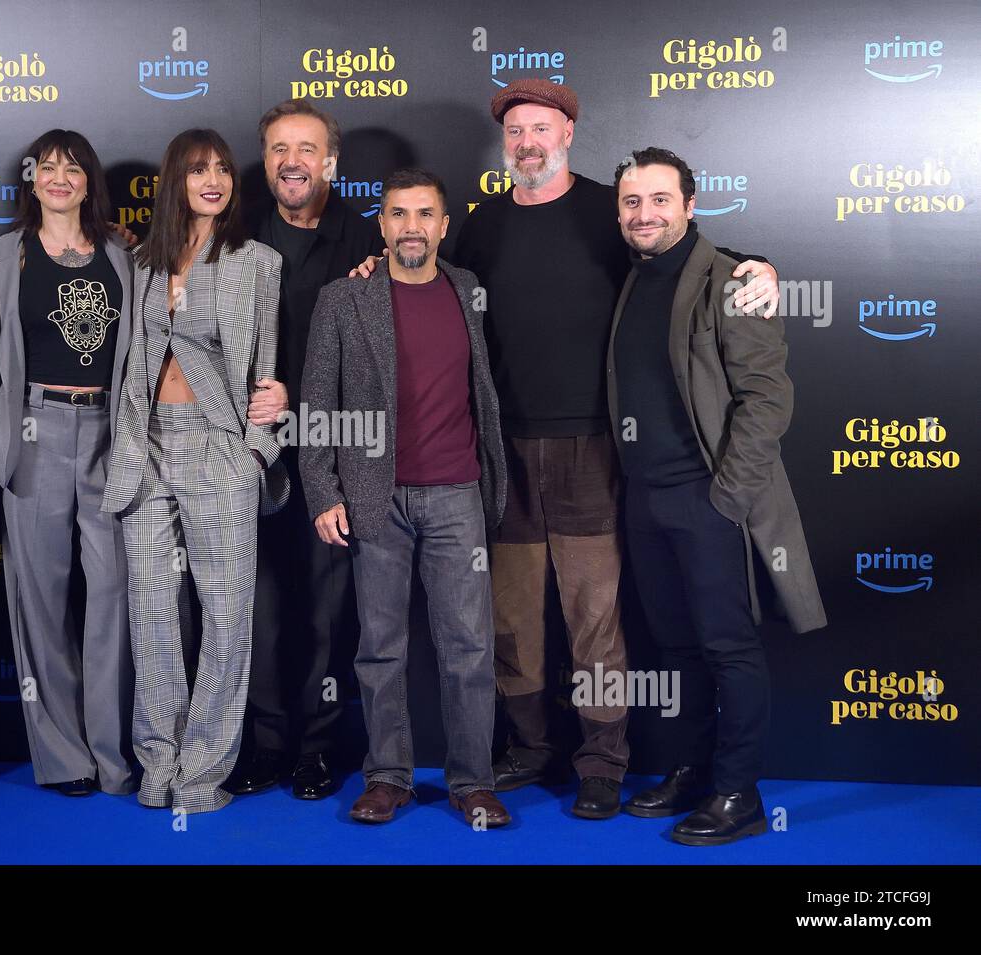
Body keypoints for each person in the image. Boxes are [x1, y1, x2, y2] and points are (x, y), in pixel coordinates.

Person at [351, 79, 781, 821]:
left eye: (541, 129)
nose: (527, 142)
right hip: (500, 451)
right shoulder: (481, 225)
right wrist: (367, 269)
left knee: (594, 617)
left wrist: (755, 261)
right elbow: (419, 277)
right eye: (515, 131)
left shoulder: (606, 213)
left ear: (569, 134)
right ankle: (527, 747)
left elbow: (676, 253)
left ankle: (603, 762)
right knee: (513, 617)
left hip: (592, 448)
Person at [608, 147, 826, 845]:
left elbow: (768, 398)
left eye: (660, 200)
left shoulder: (734, 281)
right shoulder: (633, 277)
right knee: (675, 648)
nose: (645, 214)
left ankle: (739, 793)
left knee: (729, 647)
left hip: (709, 500)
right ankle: (691, 770)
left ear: (691, 204)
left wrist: (725, 496)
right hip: (644, 500)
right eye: (632, 202)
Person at [301, 169, 510, 827]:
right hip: (374, 495)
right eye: (398, 214)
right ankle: (387, 775)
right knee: (381, 645)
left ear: (444, 225)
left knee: (470, 646)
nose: (411, 226)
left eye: (425, 213)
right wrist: (321, 489)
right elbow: (317, 401)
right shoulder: (344, 298)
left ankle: (473, 781)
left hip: (457, 492)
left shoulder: (467, 289)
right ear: (383, 224)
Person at [101, 129, 287, 814]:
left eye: (223, 170)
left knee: (226, 612)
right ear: (174, 178)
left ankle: (203, 769)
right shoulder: (140, 260)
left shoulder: (256, 262)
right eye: (198, 169)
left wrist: (253, 451)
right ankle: (157, 762)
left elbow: (268, 367)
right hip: (144, 449)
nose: (213, 180)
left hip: (219, 447)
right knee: (152, 611)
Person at [226, 99, 382, 800]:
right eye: (280, 148)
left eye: (307, 148)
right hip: (246, 451)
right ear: (266, 160)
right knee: (258, 606)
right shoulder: (233, 232)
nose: (293, 161)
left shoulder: (368, 241)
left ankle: (316, 748)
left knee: (325, 608)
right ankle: (263, 743)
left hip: (333, 452)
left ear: (332, 162)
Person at [0, 129, 136, 798]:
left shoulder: (121, 253)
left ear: (89, 181)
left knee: (112, 593)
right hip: (35, 428)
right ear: (31, 177)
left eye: (72, 167)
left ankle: (111, 754)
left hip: (110, 430)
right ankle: (62, 755)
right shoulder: (4, 254)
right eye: (47, 167)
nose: (59, 177)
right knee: (41, 597)